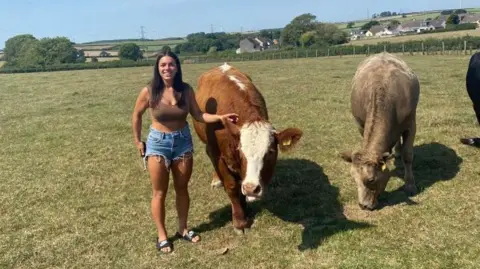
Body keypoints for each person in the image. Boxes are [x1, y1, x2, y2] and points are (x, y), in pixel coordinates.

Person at [131, 51, 238, 254]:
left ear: (177, 67)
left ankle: (182, 228)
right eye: (163, 65)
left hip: (182, 143)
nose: (167, 68)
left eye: (171, 64)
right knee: (159, 192)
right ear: (158, 68)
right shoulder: (149, 91)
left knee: (182, 189)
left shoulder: (186, 90)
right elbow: (136, 115)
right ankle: (162, 235)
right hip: (157, 145)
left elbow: (198, 114)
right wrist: (138, 141)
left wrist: (221, 117)